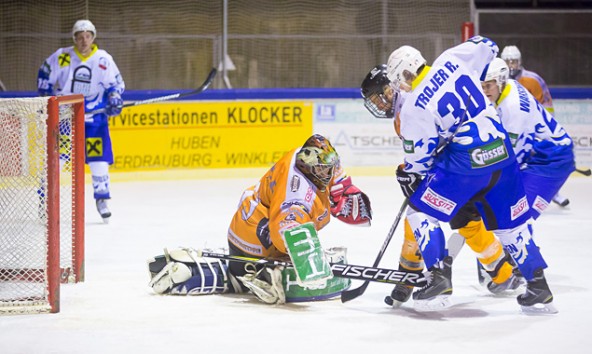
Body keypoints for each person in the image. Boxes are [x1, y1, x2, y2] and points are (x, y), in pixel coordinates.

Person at [384, 36, 556, 314]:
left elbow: (419, 159)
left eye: (399, 80)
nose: (400, 87)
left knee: (419, 211)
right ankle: (539, 288)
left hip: (466, 162)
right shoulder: (451, 59)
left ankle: (439, 277)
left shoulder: (415, 105)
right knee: (512, 228)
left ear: (406, 72)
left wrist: (408, 174)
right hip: (502, 152)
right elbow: (487, 45)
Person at [361, 65, 522, 308]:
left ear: (389, 89)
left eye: (377, 97)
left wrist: (412, 172)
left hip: (457, 169)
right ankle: (503, 273)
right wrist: (412, 170)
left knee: (418, 213)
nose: (378, 105)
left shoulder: (409, 107)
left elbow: (430, 144)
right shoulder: (407, 106)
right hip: (464, 165)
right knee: (466, 221)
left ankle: (410, 276)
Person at [147, 134, 373, 304]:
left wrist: (340, 188)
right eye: (324, 172)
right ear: (309, 169)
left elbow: (333, 172)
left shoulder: (307, 156)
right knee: (271, 279)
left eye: (329, 169)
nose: (329, 174)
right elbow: (285, 230)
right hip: (255, 238)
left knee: (248, 269)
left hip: (250, 223)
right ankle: (248, 274)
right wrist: (308, 263)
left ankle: (240, 270)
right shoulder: (295, 194)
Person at [37, 19, 124, 223]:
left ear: (93, 37)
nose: (83, 40)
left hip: (94, 121)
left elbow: (116, 85)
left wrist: (114, 98)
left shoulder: (103, 59)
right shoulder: (64, 57)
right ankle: (45, 201)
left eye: (87, 36)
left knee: (99, 160)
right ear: (74, 38)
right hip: (65, 119)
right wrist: (47, 97)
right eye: (79, 36)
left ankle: (102, 200)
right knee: (56, 160)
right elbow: (45, 75)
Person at [481, 58, 575, 219]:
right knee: (506, 209)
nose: (484, 91)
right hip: (539, 151)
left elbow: (511, 159)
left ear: (500, 80)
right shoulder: (509, 86)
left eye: (488, 86)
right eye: (482, 86)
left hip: (552, 159)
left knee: (519, 216)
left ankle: (520, 243)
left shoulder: (513, 110)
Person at [501, 45, 570, 207]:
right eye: (508, 62)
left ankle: (554, 192)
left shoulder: (533, 80)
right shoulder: (498, 80)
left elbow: (546, 107)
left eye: (514, 62)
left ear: (520, 62)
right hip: (510, 128)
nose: (511, 65)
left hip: (531, 128)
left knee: (543, 159)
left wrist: (540, 131)